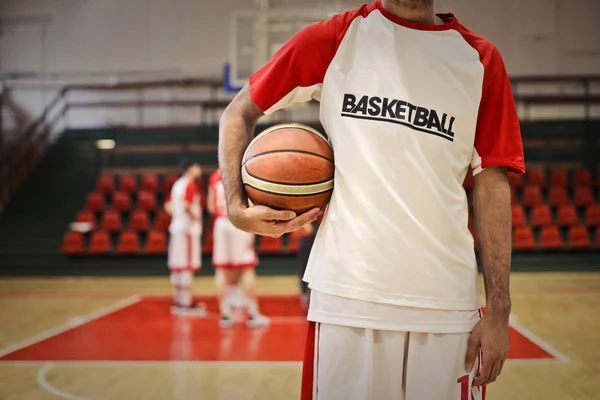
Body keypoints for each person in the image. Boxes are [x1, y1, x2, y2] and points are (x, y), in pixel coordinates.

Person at [218, 0, 525, 398]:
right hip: (347, 299)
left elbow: (493, 181)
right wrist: (236, 205)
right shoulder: (335, 38)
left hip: (448, 305)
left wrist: (499, 310)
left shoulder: (480, 60)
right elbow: (238, 112)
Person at [207, 169, 270, 328]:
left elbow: (210, 206)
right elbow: (250, 202)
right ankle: (252, 313)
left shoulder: (215, 176)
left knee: (222, 269)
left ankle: (226, 314)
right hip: (239, 222)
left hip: (221, 223)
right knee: (247, 268)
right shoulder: (242, 172)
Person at [164, 160, 206, 316]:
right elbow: (186, 205)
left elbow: (167, 206)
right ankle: (186, 303)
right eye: (197, 167)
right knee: (186, 266)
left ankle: (179, 300)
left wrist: (178, 216)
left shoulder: (177, 185)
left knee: (178, 266)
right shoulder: (190, 184)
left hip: (177, 228)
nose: (199, 169)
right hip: (187, 230)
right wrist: (194, 217)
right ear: (190, 169)